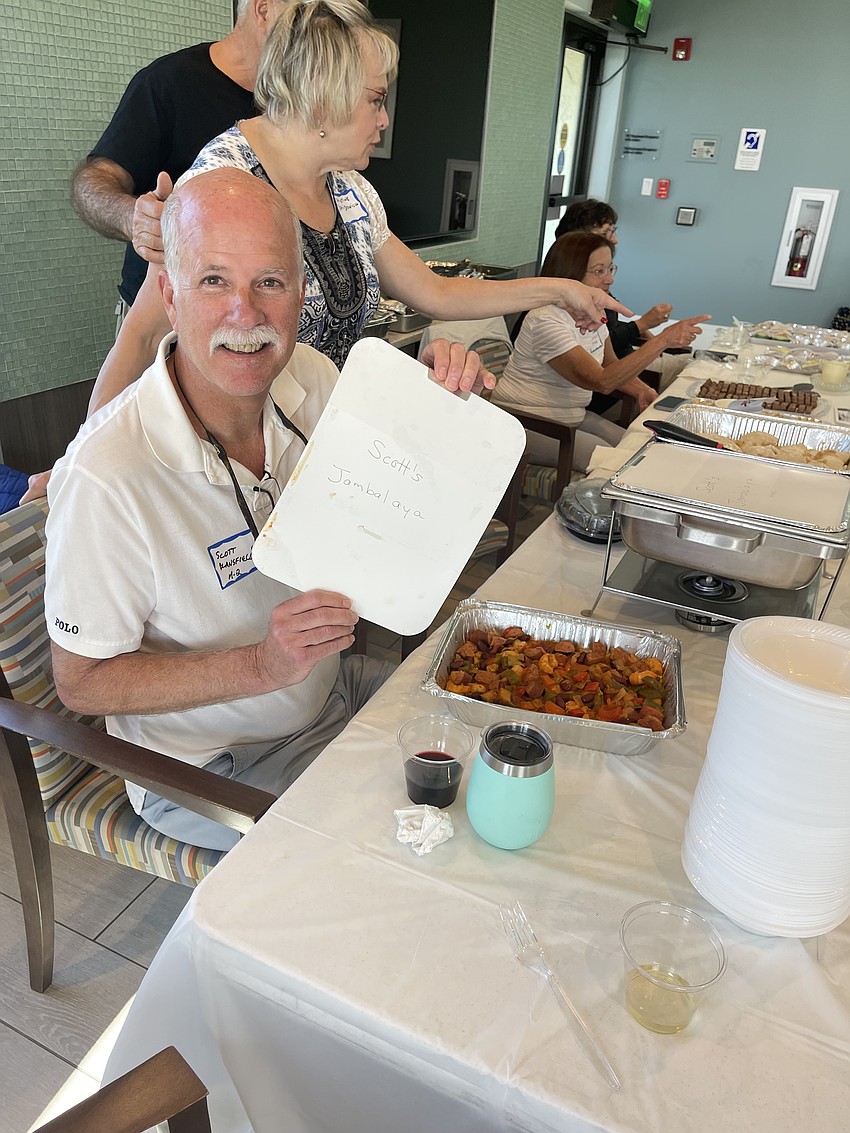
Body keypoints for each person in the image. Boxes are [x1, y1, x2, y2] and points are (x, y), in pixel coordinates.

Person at [44, 169, 493, 853]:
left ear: (301, 291)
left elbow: (396, 508)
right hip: (211, 765)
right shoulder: (108, 476)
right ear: (168, 293)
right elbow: (80, 683)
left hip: (329, 693)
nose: (246, 316)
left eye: (270, 283)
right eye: (214, 280)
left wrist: (432, 401)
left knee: (483, 739)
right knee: (411, 851)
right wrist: (259, 666)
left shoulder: (310, 378)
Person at [85, 0, 626, 409]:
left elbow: (433, 290)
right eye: (375, 100)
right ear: (323, 96)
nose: (384, 119)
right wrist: (82, 463)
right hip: (232, 455)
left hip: (318, 436)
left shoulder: (348, 191)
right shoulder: (224, 185)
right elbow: (144, 336)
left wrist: (560, 289)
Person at [71, 0, 285, 311]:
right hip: (164, 314)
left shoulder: (298, 101)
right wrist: (134, 218)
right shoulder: (168, 82)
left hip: (258, 308)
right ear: (264, 10)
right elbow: (92, 183)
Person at [492, 233, 710, 472]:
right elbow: (602, 381)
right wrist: (662, 341)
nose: (609, 280)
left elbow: (610, 365)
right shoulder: (546, 319)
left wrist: (642, 390)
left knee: (643, 446)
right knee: (622, 465)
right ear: (570, 277)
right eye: (598, 271)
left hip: (571, 416)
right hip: (527, 423)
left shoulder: (592, 313)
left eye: (610, 269)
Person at [553, 198, 672, 359]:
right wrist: (642, 324)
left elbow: (607, 329)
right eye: (606, 233)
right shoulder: (561, 302)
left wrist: (643, 330)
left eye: (608, 270)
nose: (614, 240)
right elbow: (594, 344)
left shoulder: (595, 290)